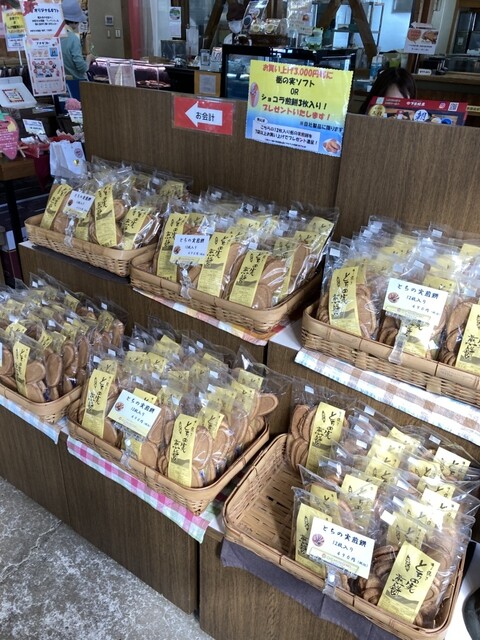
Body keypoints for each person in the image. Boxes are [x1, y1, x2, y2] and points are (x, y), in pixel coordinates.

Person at [60, 0, 94, 97]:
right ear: (75, 21)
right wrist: (88, 59)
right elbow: (81, 67)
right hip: (76, 84)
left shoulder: (55, 37)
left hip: (61, 85)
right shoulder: (73, 38)